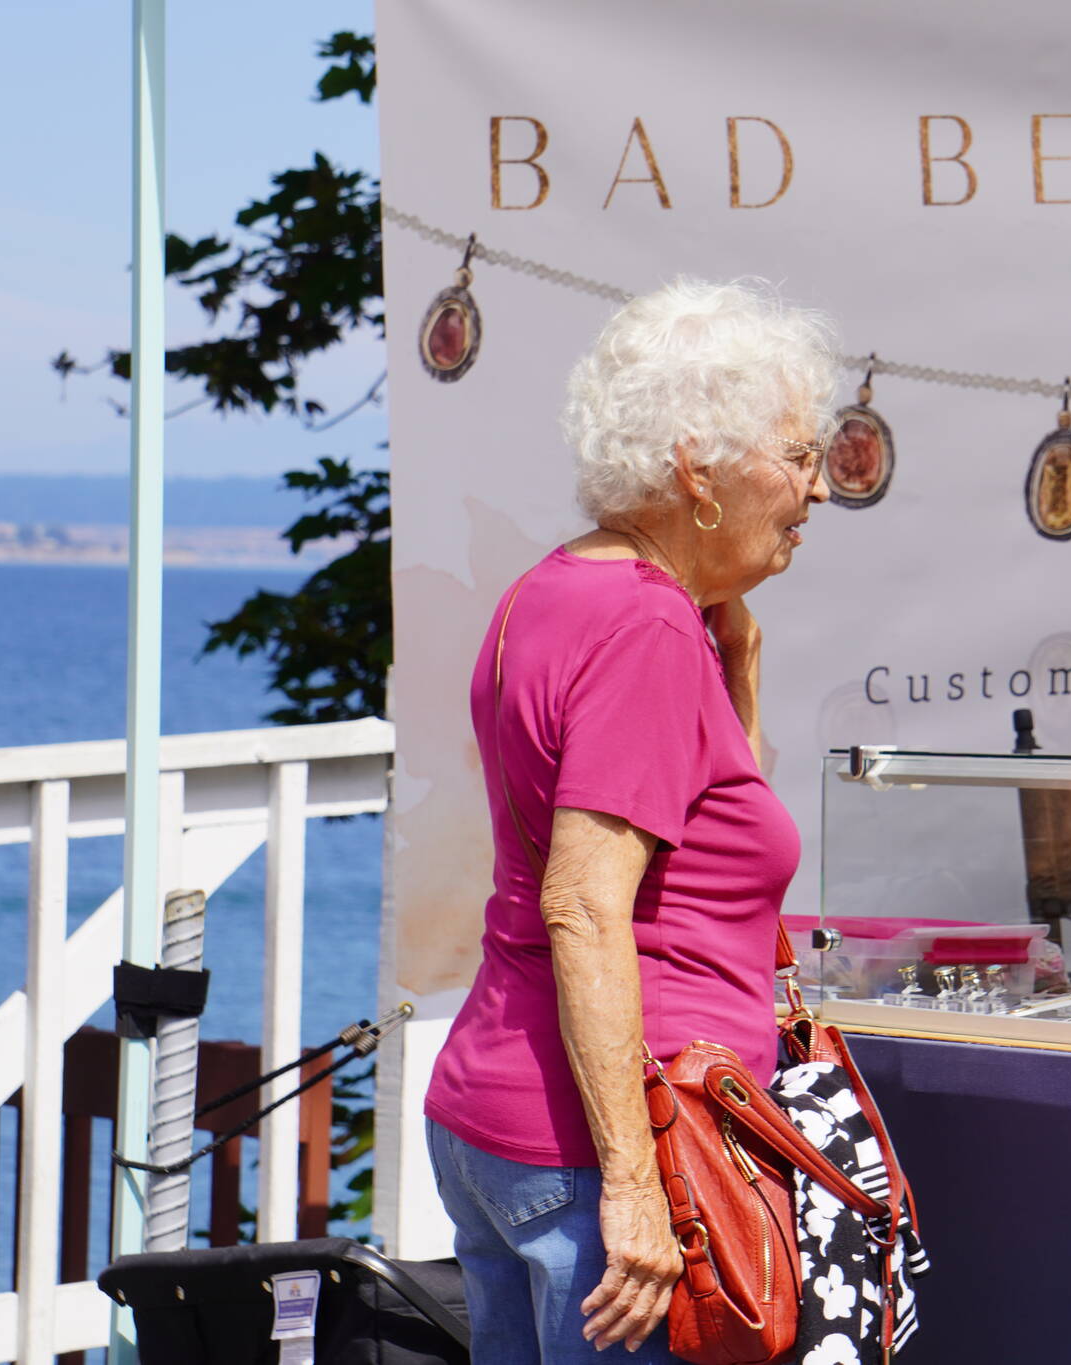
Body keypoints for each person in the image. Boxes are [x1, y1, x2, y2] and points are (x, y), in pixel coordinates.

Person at [424, 278, 837, 1362]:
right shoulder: (646, 629)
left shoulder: (556, 590)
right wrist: (632, 1192)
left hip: (495, 1116)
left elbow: (707, 831)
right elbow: (585, 905)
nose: (818, 488)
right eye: (796, 454)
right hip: (603, 1146)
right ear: (698, 470)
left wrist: (736, 652)